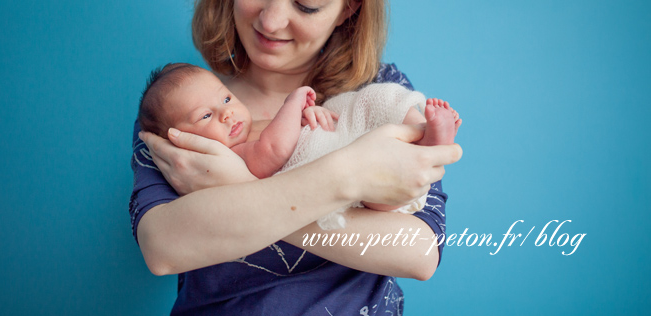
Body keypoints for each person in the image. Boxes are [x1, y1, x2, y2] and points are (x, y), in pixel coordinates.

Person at [129, 0, 463, 315]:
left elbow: (417, 253)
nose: (270, 22)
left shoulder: (379, 96)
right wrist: (344, 179)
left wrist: (241, 186)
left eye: (306, 5)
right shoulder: (186, 104)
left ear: (349, 6)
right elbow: (164, 247)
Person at [137, 62, 461, 228]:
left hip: (340, 147)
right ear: (182, 142)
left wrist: (310, 114)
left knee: (366, 102)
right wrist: (294, 104)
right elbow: (273, 151)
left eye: (225, 98)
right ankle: (425, 146)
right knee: (373, 189)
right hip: (333, 184)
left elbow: (291, 132)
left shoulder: (247, 128)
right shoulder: (223, 158)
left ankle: (422, 135)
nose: (227, 113)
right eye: (206, 115)